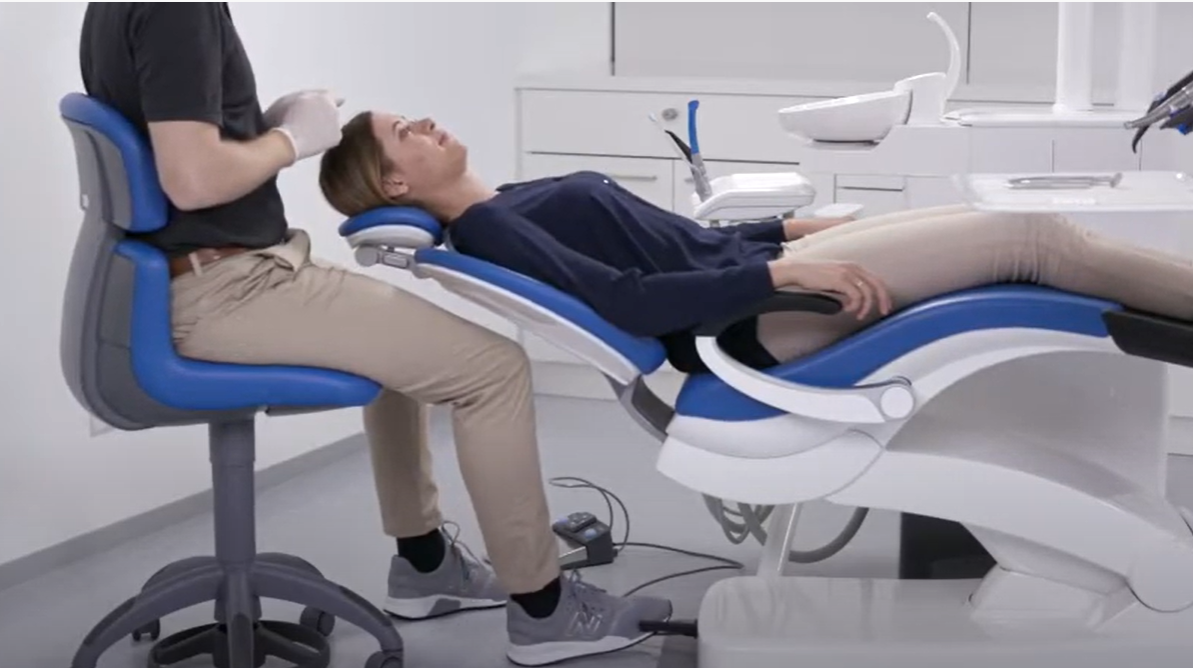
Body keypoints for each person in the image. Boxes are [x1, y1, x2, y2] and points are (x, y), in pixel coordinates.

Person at [78, 3, 670, 667]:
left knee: (402, 357)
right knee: (494, 369)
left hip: (235, 269)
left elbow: (180, 150)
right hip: (230, 287)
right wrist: (291, 140)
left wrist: (264, 123)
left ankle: (426, 565)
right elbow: (191, 180)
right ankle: (545, 612)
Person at [318, 109, 1193, 373]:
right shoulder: (490, 226)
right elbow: (627, 299)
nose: (424, 122)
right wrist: (780, 269)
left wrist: (784, 228)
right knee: (1032, 241)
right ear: (395, 185)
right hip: (752, 315)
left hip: (758, 274)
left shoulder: (509, 198)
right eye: (404, 133)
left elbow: (673, 245)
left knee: (1022, 230)